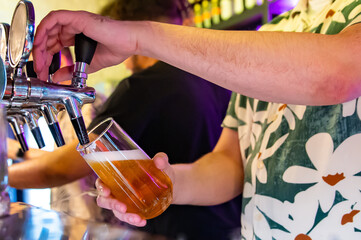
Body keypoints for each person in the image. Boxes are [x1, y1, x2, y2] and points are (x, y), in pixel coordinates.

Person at [32, 0, 361, 239]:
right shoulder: (275, 29)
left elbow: (338, 74)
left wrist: (139, 37)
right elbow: (231, 164)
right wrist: (168, 182)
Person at [9, 0, 242, 239]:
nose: (126, 63)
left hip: (174, 229)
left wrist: (4, 177)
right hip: (232, 226)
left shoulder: (142, 87)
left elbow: (62, 168)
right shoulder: (213, 79)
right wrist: (16, 151)